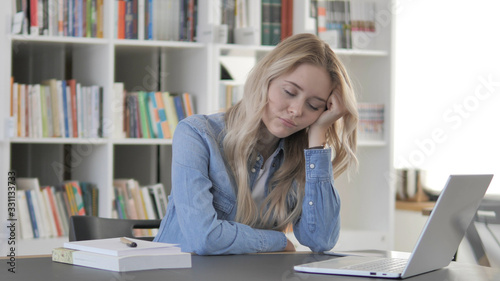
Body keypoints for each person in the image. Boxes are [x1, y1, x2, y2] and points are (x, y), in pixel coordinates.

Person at [154, 33, 358, 255]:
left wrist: (318, 136)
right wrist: (277, 241)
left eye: (313, 105)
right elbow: (203, 237)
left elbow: (321, 240)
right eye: (289, 92)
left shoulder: (300, 155)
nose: (297, 110)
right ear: (265, 79)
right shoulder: (197, 134)